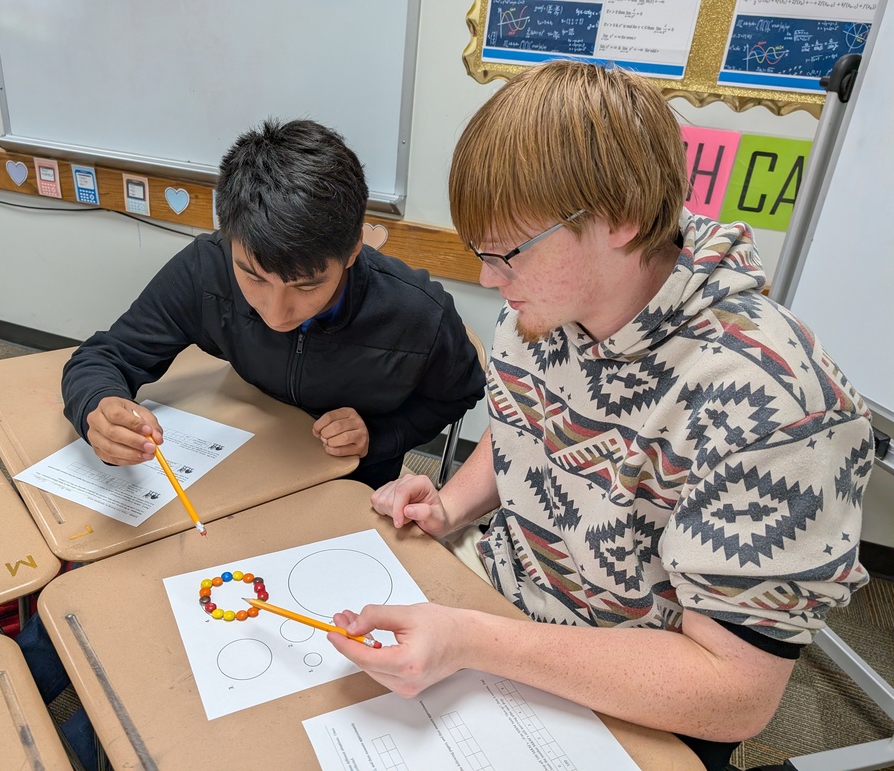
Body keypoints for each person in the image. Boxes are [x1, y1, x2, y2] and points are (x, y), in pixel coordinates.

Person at [326, 60, 874, 771]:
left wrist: (473, 640)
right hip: (502, 624)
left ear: (623, 220)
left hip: (637, 705)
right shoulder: (543, 307)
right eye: (481, 253)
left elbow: (735, 692)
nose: (491, 279)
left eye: (508, 254)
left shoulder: (778, 406)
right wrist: (453, 500)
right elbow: (531, 421)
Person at [61, 118, 485, 488]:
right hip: (247, 469)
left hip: (351, 486)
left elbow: (459, 393)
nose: (276, 313)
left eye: (306, 287)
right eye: (253, 277)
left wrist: (381, 434)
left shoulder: (418, 315)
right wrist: (98, 406)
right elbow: (103, 357)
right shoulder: (206, 269)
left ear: (353, 249)